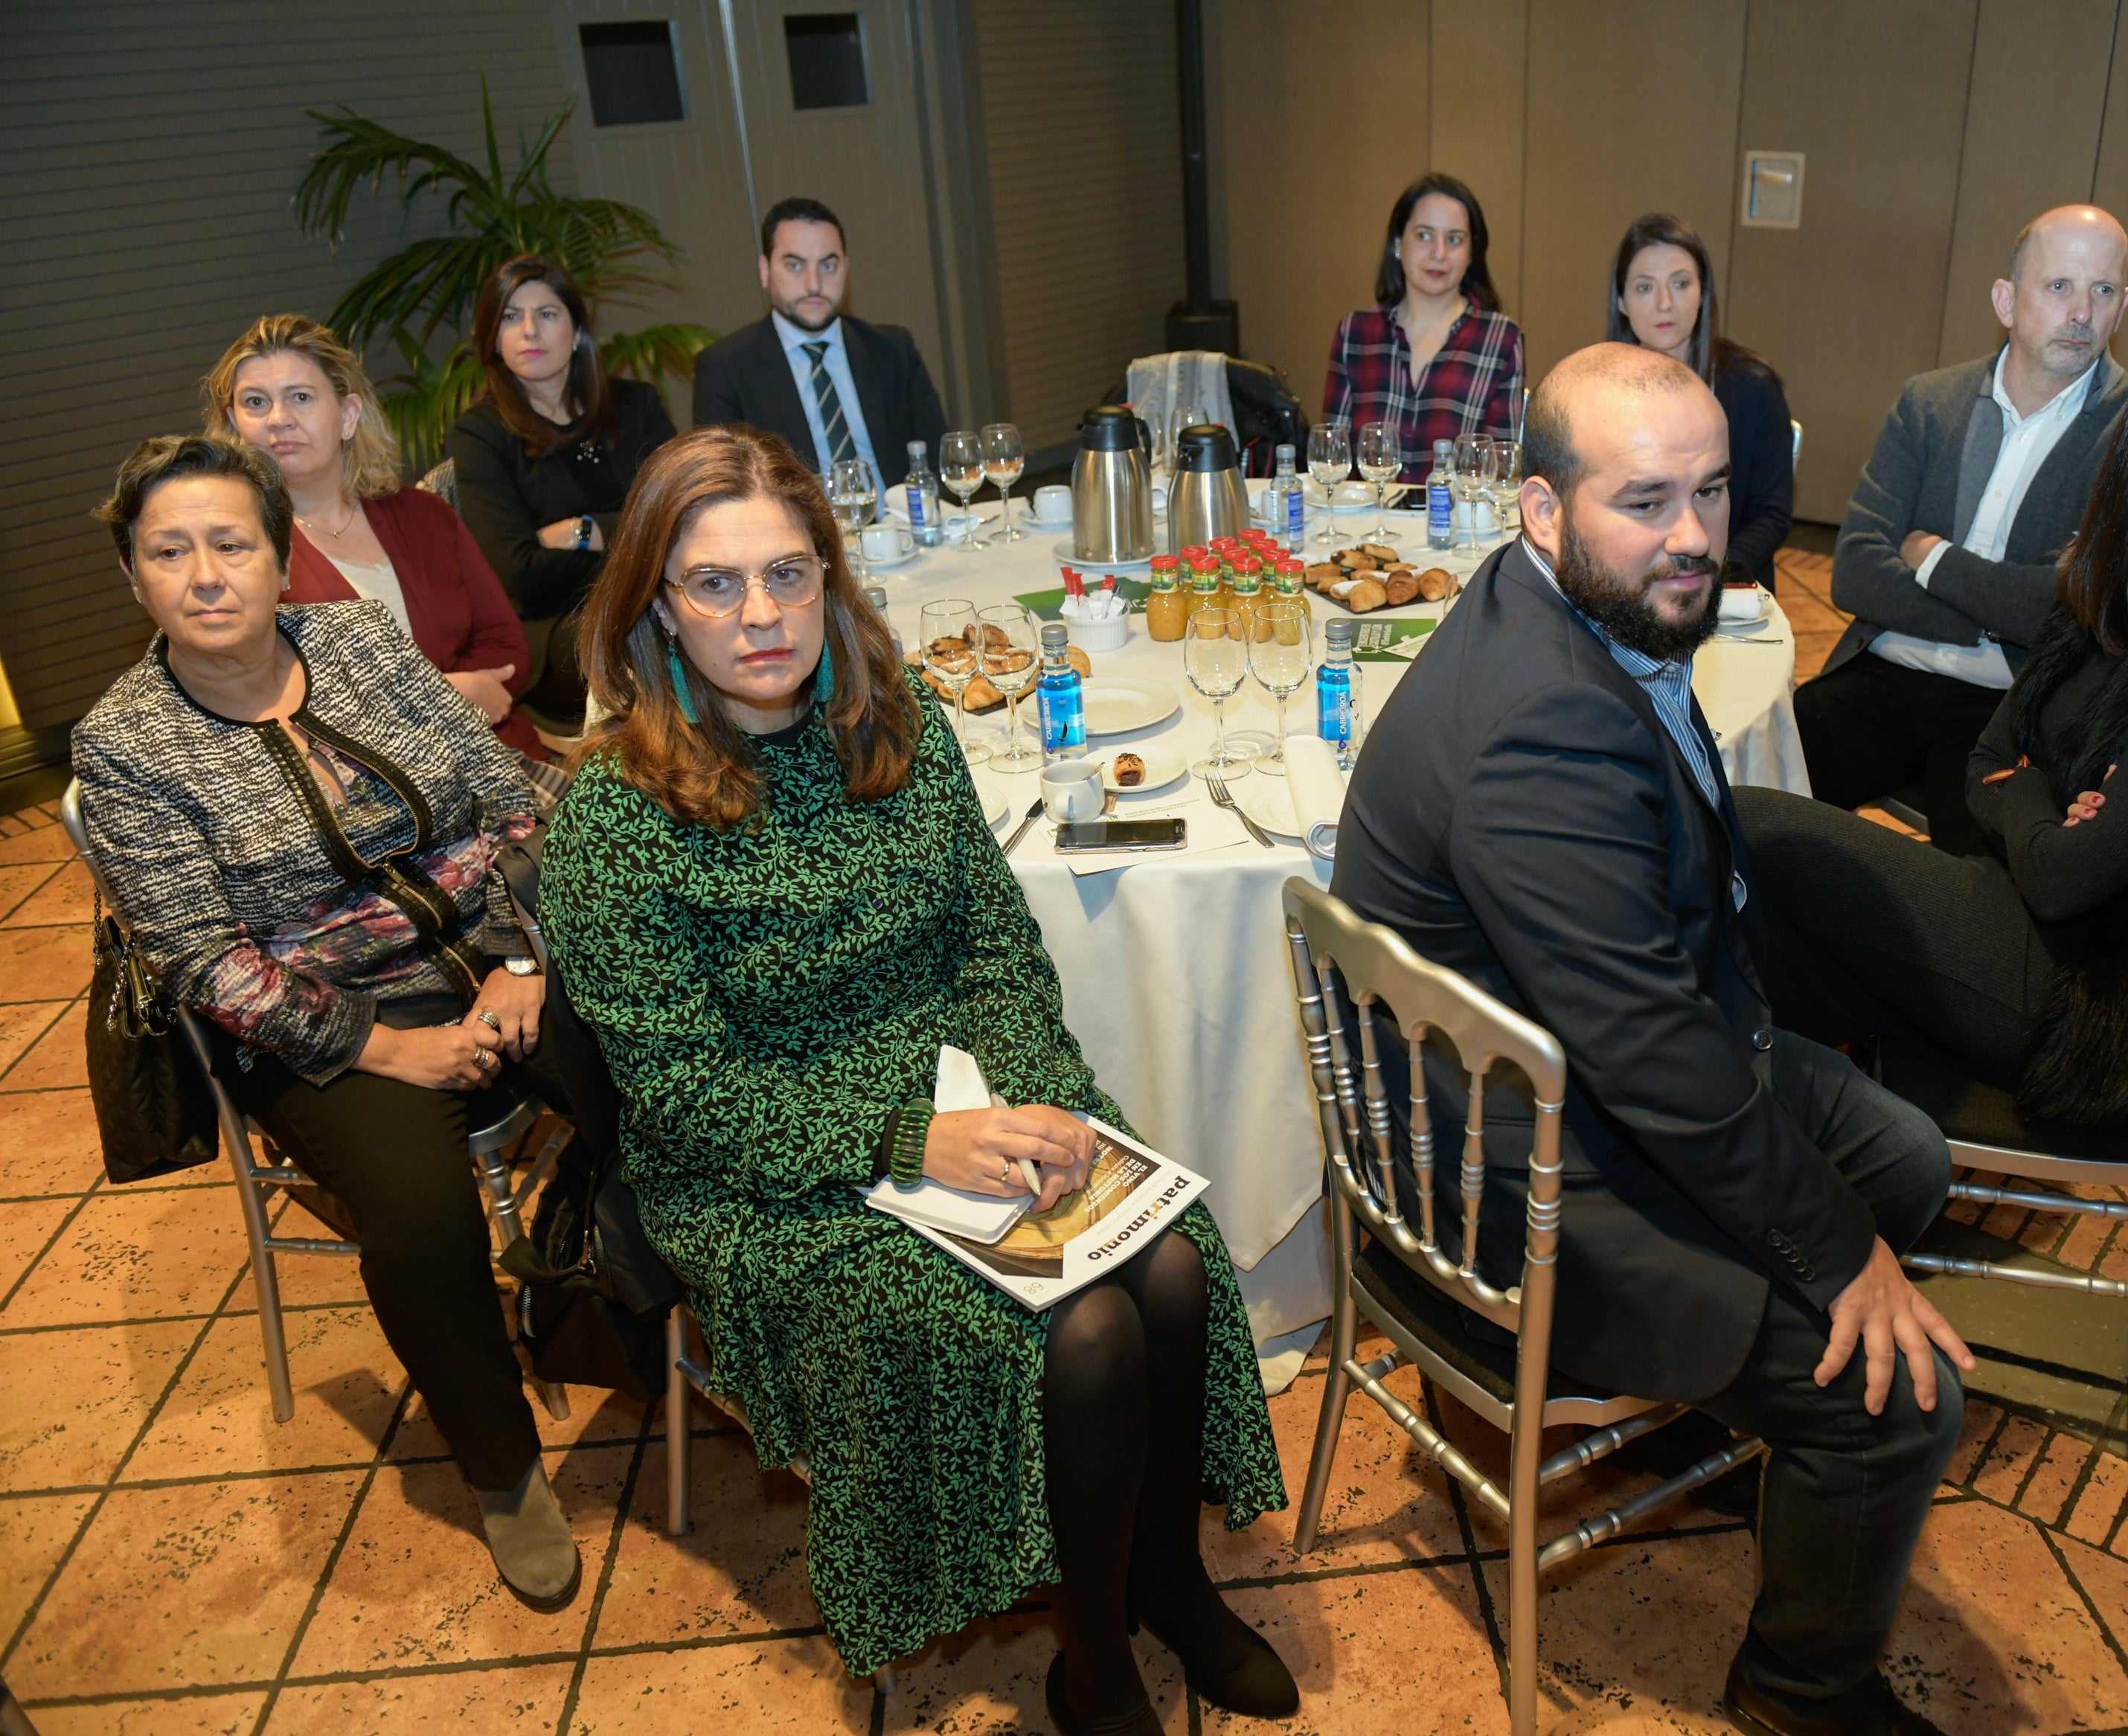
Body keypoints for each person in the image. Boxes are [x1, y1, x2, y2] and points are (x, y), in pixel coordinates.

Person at [537, 426, 1292, 1730]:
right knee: (1092, 1328)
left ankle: (1169, 1572)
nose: (762, 613)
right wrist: (908, 1142)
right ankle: (1093, 1649)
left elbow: (993, 942)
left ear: (831, 579)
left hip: (966, 1087)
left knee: (1170, 1264)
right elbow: (687, 1092)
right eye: (714, 583)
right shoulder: (613, 816)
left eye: (789, 572)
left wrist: (1045, 1097)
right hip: (767, 1168)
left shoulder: (895, 722)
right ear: (654, 602)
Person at [1334, 343, 1971, 1736]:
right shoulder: (1540, 726)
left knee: (1909, 1158)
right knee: (1898, 1399)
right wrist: (1837, 1250)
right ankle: (1800, 1687)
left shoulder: (1581, 612)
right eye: (1645, 500)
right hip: (1528, 1163)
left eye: (1714, 490)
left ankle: (1768, 1427)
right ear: (1544, 514)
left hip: (1597, 1066)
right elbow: (1651, 1063)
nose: (1694, 536)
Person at [72, 432, 583, 1609]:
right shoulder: (127, 745)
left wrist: (521, 955)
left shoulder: (354, 639)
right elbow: (207, 963)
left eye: (230, 543)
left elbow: (503, 792)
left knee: (646, 1058)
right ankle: (505, 1473)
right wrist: (391, 1046)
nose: (206, 574)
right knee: (418, 1214)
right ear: (134, 577)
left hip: (487, 945)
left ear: (275, 552)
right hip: (319, 1018)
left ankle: (610, 1260)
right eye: (170, 552)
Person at [1731, 283, 2128, 1135]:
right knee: (1745, 949)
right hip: (2027, 920)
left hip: (2111, 1004)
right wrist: (2050, 804)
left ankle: (1755, 1180)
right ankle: (1772, 1183)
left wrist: (2028, 793)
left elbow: (2062, 873)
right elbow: (1988, 754)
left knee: (1740, 823)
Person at [1798, 205, 2128, 856]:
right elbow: (1856, 571)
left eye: (2102, 292)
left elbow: (2075, 614)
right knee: (1748, 797)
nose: (2081, 313)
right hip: (1884, 669)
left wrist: (1931, 559)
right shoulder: (1930, 402)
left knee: (1980, 894)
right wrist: (1993, 609)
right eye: (2059, 286)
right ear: (2007, 300)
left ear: (2123, 308)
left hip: (2007, 704)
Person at [204, 315, 545, 761]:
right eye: (255, 402)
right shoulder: (229, 554)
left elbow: (507, 648)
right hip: (364, 796)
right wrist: (445, 695)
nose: (278, 419)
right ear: (235, 426)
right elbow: (266, 705)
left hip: (500, 757)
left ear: (347, 416)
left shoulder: (424, 516)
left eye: (300, 397)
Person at [447, 254, 677, 731]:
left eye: (547, 314)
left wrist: (586, 531)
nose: (529, 330)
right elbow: (520, 573)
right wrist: (640, 542)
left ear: (576, 334)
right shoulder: (481, 435)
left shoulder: (638, 406)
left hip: (659, 592)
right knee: (657, 637)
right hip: (558, 629)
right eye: (512, 317)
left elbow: (682, 512)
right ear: (494, 339)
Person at [690, 196, 949, 491]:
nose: (814, 284)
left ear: (846, 269)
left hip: (901, 529)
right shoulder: (726, 368)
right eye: (795, 266)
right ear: (765, 271)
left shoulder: (892, 349)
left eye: (828, 266)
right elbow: (721, 493)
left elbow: (939, 464)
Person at [1608, 213, 1792, 589]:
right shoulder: (1602, 390)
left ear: (1703, 292)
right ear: (1622, 301)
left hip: (1726, 581)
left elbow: (1770, 515)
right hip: (1630, 580)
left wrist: (1708, 573)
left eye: (1680, 284)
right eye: (1645, 288)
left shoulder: (1753, 387)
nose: (1664, 304)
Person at [1323, 173, 1524, 483]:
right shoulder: (1355, 334)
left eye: (1454, 239)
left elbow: (1501, 472)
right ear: (1398, 243)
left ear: (1471, 254)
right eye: (1424, 235)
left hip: (1456, 525)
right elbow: (1332, 460)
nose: (1439, 253)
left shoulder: (1501, 339)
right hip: (1368, 525)